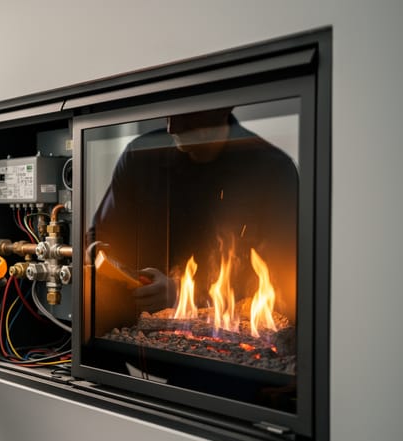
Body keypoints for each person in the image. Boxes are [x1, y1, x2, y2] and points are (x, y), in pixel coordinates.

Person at [87, 107, 299, 333]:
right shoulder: (140, 155)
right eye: (169, 111)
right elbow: (101, 236)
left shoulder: (274, 171)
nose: (172, 128)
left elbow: (281, 283)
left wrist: (185, 293)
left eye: (188, 113)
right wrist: (98, 253)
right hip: (137, 332)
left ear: (224, 107)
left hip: (228, 336)